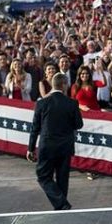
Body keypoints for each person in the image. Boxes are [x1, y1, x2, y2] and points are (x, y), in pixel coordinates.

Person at [26, 72, 83, 211]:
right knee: (62, 178)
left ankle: (62, 205)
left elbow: (35, 128)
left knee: (43, 176)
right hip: (65, 146)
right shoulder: (72, 103)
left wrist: (30, 148)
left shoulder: (41, 103)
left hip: (47, 146)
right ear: (63, 85)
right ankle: (62, 205)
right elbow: (79, 124)